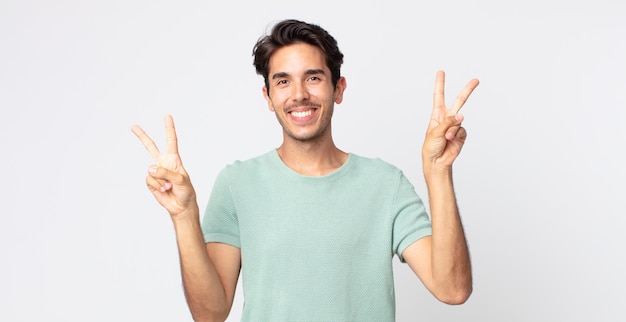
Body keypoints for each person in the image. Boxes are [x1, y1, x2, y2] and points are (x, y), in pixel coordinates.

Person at [132, 19, 479, 322]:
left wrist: (438, 172)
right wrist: (183, 215)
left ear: (337, 89)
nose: (299, 94)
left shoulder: (385, 185)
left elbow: (453, 289)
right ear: (268, 97)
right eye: (283, 82)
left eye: (313, 77)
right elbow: (210, 314)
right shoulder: (237, 184)